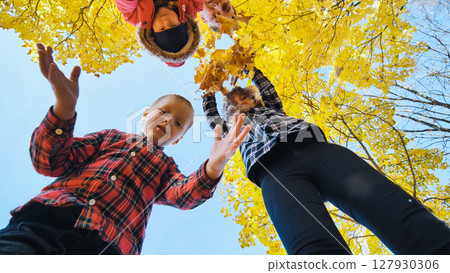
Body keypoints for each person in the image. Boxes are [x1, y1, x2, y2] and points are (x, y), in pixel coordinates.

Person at [0, 43, 250, 255]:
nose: (167, 121)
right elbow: (49, 162)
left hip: (107, 246)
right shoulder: (110, 138)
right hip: (46, 220)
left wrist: (213, 167)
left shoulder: (166, 168)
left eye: (177, 124)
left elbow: (182, 195)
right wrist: (64, 109)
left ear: (177, 140)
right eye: (164, 112)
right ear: (145, 114)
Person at [202, 66, 450, 255]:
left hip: (316, 150)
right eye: (233, 104)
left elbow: (267, 88)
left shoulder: (273, 109)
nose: (240, 104)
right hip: (273, 173)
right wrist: (209, 84)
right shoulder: (226, 127)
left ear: (253, 99)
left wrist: (247, 67)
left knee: (394, 209)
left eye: (243, 99)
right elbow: (210, 111)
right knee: (313, 250)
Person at [114, 0, 203, 67]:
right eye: (173, 25)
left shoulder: (135, 16)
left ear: (153, 32)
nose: (165, 21)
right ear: (181, 21)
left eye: (162, 28)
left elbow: (126, 3)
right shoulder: (194, 6)